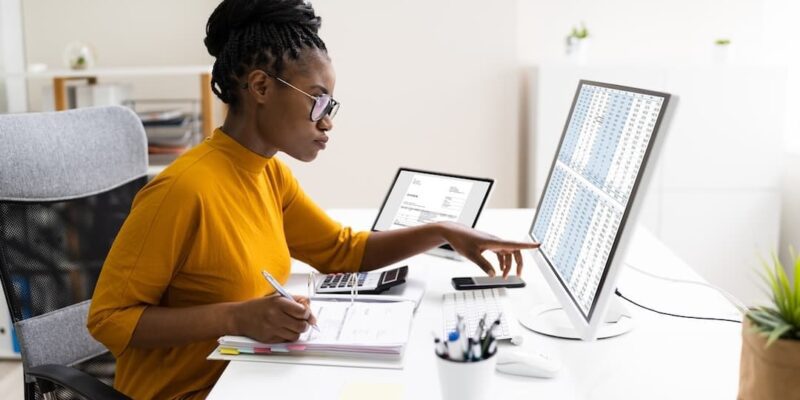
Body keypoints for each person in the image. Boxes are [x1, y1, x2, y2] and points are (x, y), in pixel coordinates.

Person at [87, 0, 539, 398]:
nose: (327, 123)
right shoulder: (181, 191)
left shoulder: (270, 175)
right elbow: (108, 319)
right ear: (261, 88)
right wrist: (236, 317)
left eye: (331, 107)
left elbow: (343, 252)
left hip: (246, 375)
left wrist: (445, 232)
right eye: (319, 102)